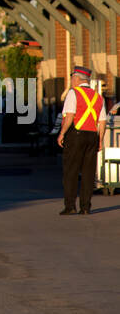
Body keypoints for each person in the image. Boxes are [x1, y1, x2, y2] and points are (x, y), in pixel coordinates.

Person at [57, 66, 106, 214]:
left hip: (76, 135)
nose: (72, 81)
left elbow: (70, 116)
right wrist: (100, 140)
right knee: (88, 172)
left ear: (77, 79)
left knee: (71, 171)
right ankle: (85, 207)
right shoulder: (98, 96)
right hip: (92, 135)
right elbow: (102, 121)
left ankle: (70, 206)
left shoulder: (74, 93)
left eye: (72, 78)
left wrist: (62, 133)